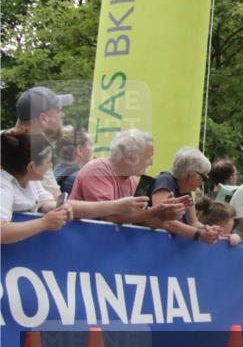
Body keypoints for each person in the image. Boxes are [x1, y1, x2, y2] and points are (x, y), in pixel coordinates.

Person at [1, 132, 147, 244]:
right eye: (47, 162)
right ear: (31, 166)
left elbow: (49, 205)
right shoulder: (3, 186)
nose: (51, 166)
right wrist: (43, 223)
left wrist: (63, 209)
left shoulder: (32, 181)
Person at [69, 129, 187, 226]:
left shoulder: (131, 180)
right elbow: (109, 217)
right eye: (148, 157)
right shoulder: (97, 170)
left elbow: (139, 219)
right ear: (130, 157)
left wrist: (166, 212)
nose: (151, 163)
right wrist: (155, 212)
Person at [11, 86, 75, 200]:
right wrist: (115, 206)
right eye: (58, 111)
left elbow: (53, 200)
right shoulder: (33, 151)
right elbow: (56, 200)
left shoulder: (38, 147)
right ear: (43, 118)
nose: (63, 115)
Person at [150, 147, 223, 244]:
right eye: (204, 177)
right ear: (192, 176)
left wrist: (207, 229)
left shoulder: (185, 190)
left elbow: (194, 222)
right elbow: (163, 220)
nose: (202, 182)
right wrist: (199, 234)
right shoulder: (165, 180)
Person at [53, 126, 92, 196]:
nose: (93, 149)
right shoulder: (79, 179)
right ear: (79, 150)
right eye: (90, 144)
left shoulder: (54, 172)